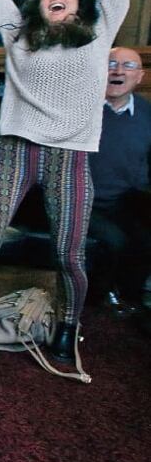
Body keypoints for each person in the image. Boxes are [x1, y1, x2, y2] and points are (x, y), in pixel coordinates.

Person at [0, 0, 133, 363]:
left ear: (79, 5)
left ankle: (68, 326)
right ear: (38, 6)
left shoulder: (99, 35)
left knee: (70, 253)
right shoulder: (19, 36)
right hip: (17, 148)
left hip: (71, 155)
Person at [86, 47, 151, 313]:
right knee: (115, 240)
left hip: (127, 200)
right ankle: (100, 302)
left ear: (140, 77)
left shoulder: (147, 114)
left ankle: (133, 299)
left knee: (146, 237)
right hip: (82, 201)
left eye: (128, 66)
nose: (118, 71)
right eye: (111, 63)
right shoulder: (81, 110)